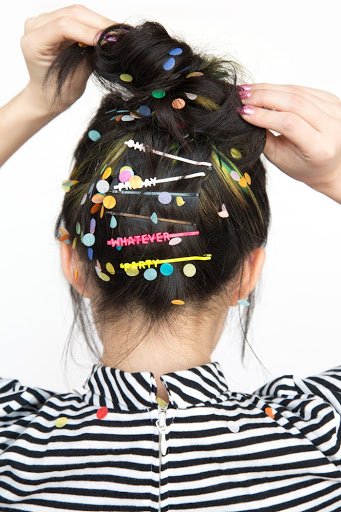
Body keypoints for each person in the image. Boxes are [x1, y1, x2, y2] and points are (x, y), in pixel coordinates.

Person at [0, 5, 340, 511]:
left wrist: (34, 103)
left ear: (74, 263)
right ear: (249, 269)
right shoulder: (324, 435)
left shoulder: (12, 450)